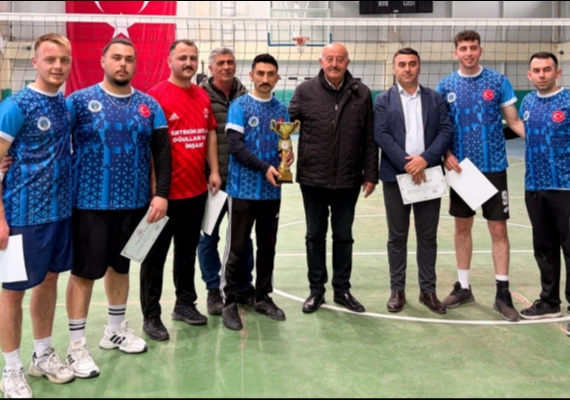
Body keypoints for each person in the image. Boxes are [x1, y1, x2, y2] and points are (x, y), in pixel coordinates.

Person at [64, 37, 171, 377]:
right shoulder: (79, 101)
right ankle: (76, 346)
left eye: (128, 58)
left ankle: (115, 330)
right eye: (116, 57)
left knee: (121, 268)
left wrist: (161, 193)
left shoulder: (149, 105)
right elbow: (53, 141)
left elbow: (162, 151)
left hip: (135, 203)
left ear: (135, 64)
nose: (122, 63)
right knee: (83, 274)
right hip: (89, 202)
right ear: (103, 61)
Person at [0, 33, 75, 398]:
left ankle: (42, 355)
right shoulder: (16, 106)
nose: (57, 66)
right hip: (20, 215)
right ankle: (11, 369)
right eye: (50, 59)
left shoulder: (63, 104)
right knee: (11, 293)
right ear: (35, 62)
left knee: (48, 283)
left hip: (59, 214)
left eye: (64, 60)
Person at [435, 30, 525, 322]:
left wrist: (542, 139)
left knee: (498, 230)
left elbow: (514, 121)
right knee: (462, 227)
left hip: (494, 166)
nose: (469, 52)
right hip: (461, 169)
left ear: (480, 50)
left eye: (473, 47)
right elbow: (440, 127)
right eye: (463, 48)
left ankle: (502, 293)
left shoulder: (498, 81)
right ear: (456, 52)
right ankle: (463, 287)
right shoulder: (445, 85)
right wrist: (445, 154)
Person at [140, 39, 221, 341]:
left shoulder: (201, 95)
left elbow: (210, 133)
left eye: (193, 58)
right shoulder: (155, 96)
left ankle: (185, 304)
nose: (188, 63)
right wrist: (155, 186)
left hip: (195, 192)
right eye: (182, 57)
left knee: (187, 253)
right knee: (154, 257)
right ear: (169, 61)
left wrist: (214, 170)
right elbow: (150, 144)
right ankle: (151, 315)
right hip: (164, 196)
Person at [289, 43, 379, 314]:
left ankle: (342, 290)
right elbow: (286, 124)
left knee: (343, 236)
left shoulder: (362, 93)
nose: (334, 64)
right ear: (321, 61)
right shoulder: (305, 91)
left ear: (347, 62)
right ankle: (316, 290)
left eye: (340, 59)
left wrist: (371, 174)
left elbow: (369, 137)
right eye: (329, 59)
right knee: (314, 236)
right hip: (313, 178)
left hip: (348, 179)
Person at [374, 48, 453, 314]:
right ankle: (397, 290)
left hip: (429, 175)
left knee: (427, 236)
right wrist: (407, 163)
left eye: (412, 64)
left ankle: (428, 291)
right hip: (396, 176)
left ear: (419, 67)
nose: (407, 69)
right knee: (397, 236)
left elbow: (445, 131)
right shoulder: (383, 100)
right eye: (402, 64)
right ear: (394, 68)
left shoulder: (435, 98)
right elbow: (381, 134)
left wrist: (425, 159)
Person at [221, 53, 294, 331]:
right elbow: (236, 147)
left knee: (267, 246)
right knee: (236, 247)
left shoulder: (281, 109)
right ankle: (229, 301)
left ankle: (263, 296)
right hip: (242, 190)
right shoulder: (239, 106)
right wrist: (264, 167)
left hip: (271, 192)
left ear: (277, 77)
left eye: (270, 74)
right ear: (251, 75)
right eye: (260, 73)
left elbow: (283, 144)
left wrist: (287, 157)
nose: (265, 79)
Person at [197, 47, 255, 315]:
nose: (226, 67)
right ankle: (213, 288)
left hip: (242, 182)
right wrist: (209, 171)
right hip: (212, 182)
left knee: (243, 238)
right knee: (208, 237)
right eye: (220, 63)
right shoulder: (200, 97)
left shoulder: (247, 96)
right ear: (211, 68)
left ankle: (243, 286)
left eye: (230, 62)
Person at [518, 52, 570, 324]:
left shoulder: (568, 100)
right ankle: (549, 302)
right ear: (529, 75)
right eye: (536, 70)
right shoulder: (527, 101)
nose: (541, 75)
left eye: (547, 69)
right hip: (534, 187)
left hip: (565, 187)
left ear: (557, 72)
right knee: (544, 248)